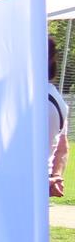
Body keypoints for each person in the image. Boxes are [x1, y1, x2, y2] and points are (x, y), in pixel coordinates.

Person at [48, 36, 69, 198]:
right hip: (39, 187)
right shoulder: (57, 100)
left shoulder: (34, 99)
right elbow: (62, 146)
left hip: (13, 187)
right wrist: (56, 175)